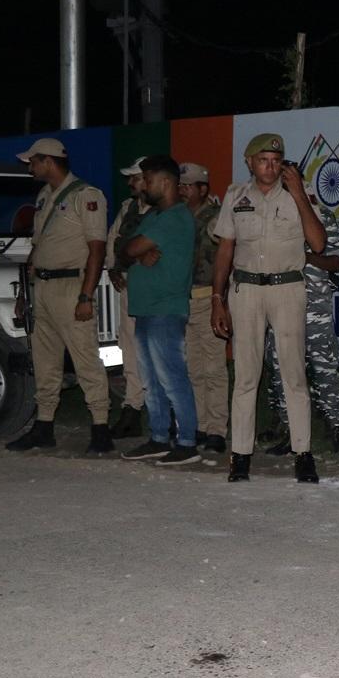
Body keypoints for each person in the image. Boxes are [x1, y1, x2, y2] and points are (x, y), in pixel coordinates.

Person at [211, 133, 326, 484]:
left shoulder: (298, 195)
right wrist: (217, 299)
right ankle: (241, 455)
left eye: (277, 160)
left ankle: (303, 453)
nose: (271, 166)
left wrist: (299, 195)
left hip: (287, 288)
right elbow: (225, 250)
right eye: (263, 160)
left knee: (294, 373)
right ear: (249, 162)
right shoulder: (236, 195)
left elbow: (318, 243)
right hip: (245, 289)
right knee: (246, 375)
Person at [6, 137, 113, 455]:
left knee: (85, 359)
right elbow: (37, 248)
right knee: (45, 361)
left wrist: (85, 296)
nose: (31, 167)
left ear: (48, 161)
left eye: (33, 162)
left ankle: (100, 427)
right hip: (44, 288)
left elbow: (97, 249)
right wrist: (25, 292)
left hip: (71, 288)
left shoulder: (87, 195)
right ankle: (44, 425)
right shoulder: (44, 196)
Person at [117, 155, 199, 465]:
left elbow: (131, 248)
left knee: (172, 377)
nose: (143, 186)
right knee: (150, 378)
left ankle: (188, 441)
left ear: (165, 182)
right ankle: (159, 437)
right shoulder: (153, 216)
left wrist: (136, 251)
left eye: (148, 180)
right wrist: (137, 253)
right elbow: (126, 248)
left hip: (166, 307)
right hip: (147, 308)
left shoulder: (175, 217)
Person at [261, 198, 339, 454]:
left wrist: (307, 257)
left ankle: (338, 429)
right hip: (279, 305)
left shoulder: (321, 217)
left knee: (325, 370)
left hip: (315, 309)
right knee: (282, 371)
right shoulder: (271, 215)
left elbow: (338, 262)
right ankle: (291, 433)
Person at [179, 162, 228, 453]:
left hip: (208, 298)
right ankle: (199, 425)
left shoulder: (217, 218)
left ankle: (217, 430)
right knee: (193, 369)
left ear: (203, 189)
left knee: (214, 369)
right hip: (183, 300)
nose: (182, 191)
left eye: (188, 186)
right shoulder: (178, 217)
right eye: (180, 186)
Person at [106, 158, 150, 441]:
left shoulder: (165, 209)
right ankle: (132, 408)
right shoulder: (128, 207)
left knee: (161, 350)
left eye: (134, 177)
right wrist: (113, 268)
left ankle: (166, 413)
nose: (130, 183)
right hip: (129, 284)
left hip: (156, 287)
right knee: (129, 348)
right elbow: (114, 240)